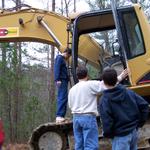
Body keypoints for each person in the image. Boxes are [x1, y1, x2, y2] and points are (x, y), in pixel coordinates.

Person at [68, 65, 128, 150]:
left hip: (76, 119)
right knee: (90, 146)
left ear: (77, 76)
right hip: (87, 117)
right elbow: (107, 84)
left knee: (79, 145)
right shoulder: (90, 85)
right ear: (87, 74)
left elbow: (70, 105)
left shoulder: (72, 89)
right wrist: (120, 77)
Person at [99, 68, 149, 150]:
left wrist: (109, 134)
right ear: (116, 79)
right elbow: (144, 106)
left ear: (104, 82)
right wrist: (139, 123)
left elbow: (107, 121)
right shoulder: (128, 92)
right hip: (133, 132)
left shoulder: (104, 100)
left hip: (120, 136)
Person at [54, 48, 72, 123]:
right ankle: (59, 116)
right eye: (69, 55)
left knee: (64, 97)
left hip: (63, 80)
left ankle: (61, 116)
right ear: (67, 53)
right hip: (61, 80)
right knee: (62, 97)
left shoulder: (61, 59)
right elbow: (56, 69)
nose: (68, 57)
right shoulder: (59, 58)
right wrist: (57, 79)